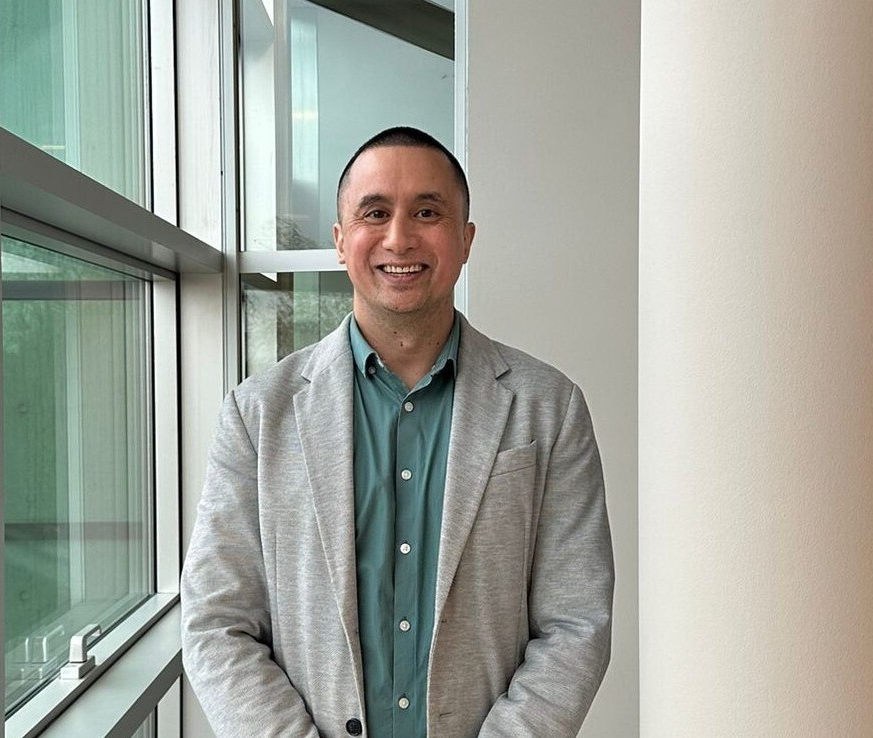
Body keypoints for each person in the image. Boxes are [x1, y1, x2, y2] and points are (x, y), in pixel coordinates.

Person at [181, 126, 614, 738]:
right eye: (375, 213)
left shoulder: (550, 407)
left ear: (465, 241)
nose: (399, 237)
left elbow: (576, 622)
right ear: (340, 241)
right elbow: (216, 624)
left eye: (427, 212)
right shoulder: (257, 416)